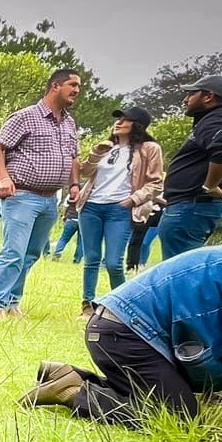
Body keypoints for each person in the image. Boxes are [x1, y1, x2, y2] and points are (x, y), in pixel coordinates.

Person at [21, 242, 222, 426]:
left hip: (122, 329)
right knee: (180, 418)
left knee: (168, 401)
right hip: (126, 334)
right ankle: (75, 391)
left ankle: (65, 375)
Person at [0, 69, 83, 319]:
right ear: (55, 86)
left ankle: (12, 302)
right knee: (14, 251)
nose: (77, 90)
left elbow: (73, 157)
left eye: (79, 86)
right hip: (22, 195)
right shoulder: (25, 117)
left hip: (51, 199)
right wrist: (4, 178)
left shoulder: (70, 123)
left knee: (31, 253)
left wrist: (74, 185)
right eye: (72, 85)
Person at [70, 107, 165, 317]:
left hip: (119, 209)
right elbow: (85, 172)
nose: (119, 123)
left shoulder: (149, 148)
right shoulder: (107, 147)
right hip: (91, 206)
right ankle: (87, 305)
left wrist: (133, 200)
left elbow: (156, 183)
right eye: (118, 119)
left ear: (137, 125)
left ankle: (121, 309)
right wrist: (96, 153)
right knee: (91, 258)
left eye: (125, 119)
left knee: (113, 262)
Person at [157, 75, 222, 259]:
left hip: (192, 206)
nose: (185, 100)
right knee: (188, 266)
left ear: (208, 96)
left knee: (180, 272)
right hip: (197, 206)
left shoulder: (216, 119)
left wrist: (210, 185)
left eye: (191, 94)